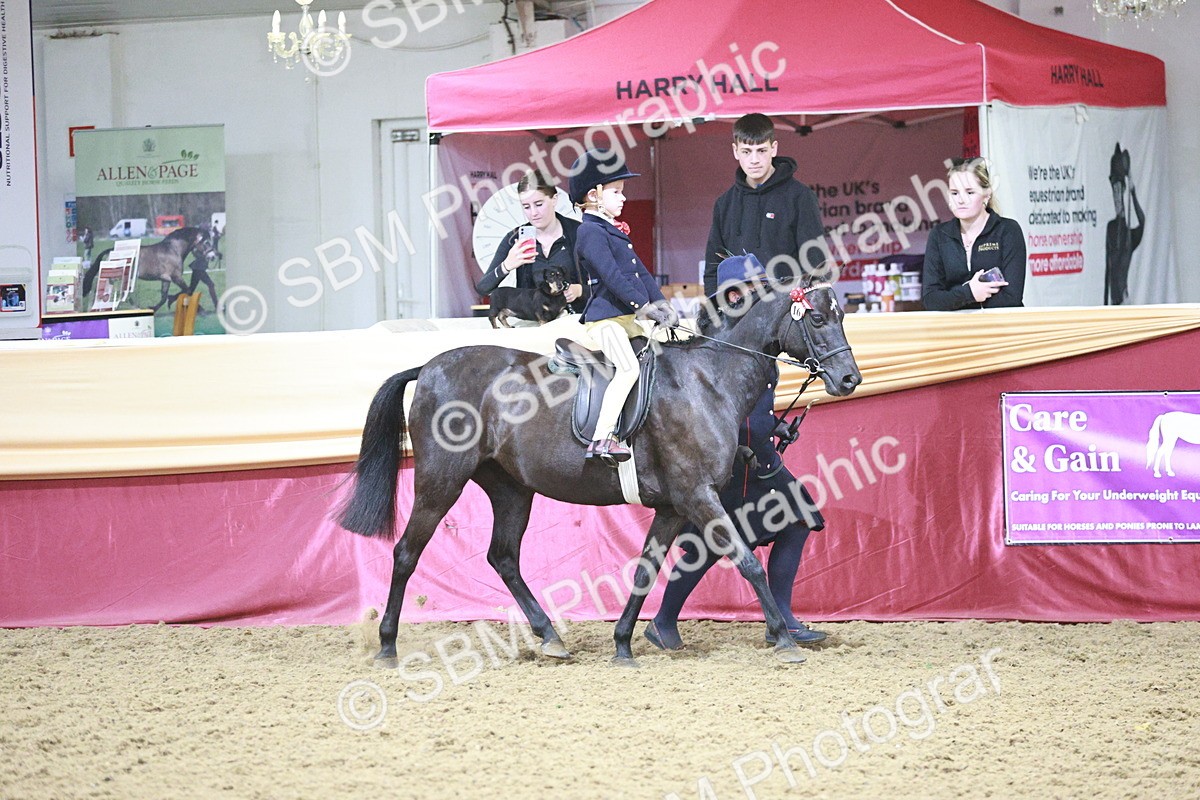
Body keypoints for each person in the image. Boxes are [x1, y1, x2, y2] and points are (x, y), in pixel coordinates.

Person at [646, 253, 828, 651]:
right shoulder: (712, 344)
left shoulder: (761, 341)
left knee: (796, 522)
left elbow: (755, 403)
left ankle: (781, 617)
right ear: (730, 295)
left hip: (761, 457)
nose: (760, 296)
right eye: (751, 290)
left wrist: (774, 424)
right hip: (726, 461)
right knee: (707, 545)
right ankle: (662, 620)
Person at [571, 149, 674, 464]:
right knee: (628, 367)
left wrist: (661, 305)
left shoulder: (611, 231)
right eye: (616, 192)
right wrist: (644, 306)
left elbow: (639, 272)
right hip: (605, 320)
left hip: (628, 317)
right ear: (594, 195)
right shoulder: (589, 232)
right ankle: (602, 438)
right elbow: (612, 277)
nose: (623, 199)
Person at [704, 112, 826, 294]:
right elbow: (713, 269)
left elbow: (816, 264)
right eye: (746, 151)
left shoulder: (800, 197)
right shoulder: (725, 204)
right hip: (738, 316)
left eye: (761, 150)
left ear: (774, 148)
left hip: (788, 313)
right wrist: (716, 310)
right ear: (735, 151)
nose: (754, 160)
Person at [477, 170, 587, 315]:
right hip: (533, 324)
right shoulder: (514, 239)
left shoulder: (580, 232)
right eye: (526, 207)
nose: (533, 213)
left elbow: (608, 284)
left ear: (554, 199)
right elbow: (483, 288)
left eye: (539, 204)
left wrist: (580, 290)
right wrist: (507, 265)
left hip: (576, 321)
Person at [922, 157, 1026, 310]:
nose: (961, 200)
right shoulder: (939, 235)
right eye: (955, 193)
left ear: (987, 194)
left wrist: (954, 299)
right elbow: (931, 299)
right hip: (956, 330)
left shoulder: (1008, 230)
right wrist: (970, 292)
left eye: (970, 192)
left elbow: (1012, 297)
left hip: (1001, 328)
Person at [1105, 143, 1145, 306]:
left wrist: (1133, 190)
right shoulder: (1112, 228)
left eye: (1119, 191)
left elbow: (1142, 221)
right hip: (1114, 303)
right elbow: (1108, 269)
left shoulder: (1130, 237)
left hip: (1123, 301)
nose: (1117, 198)